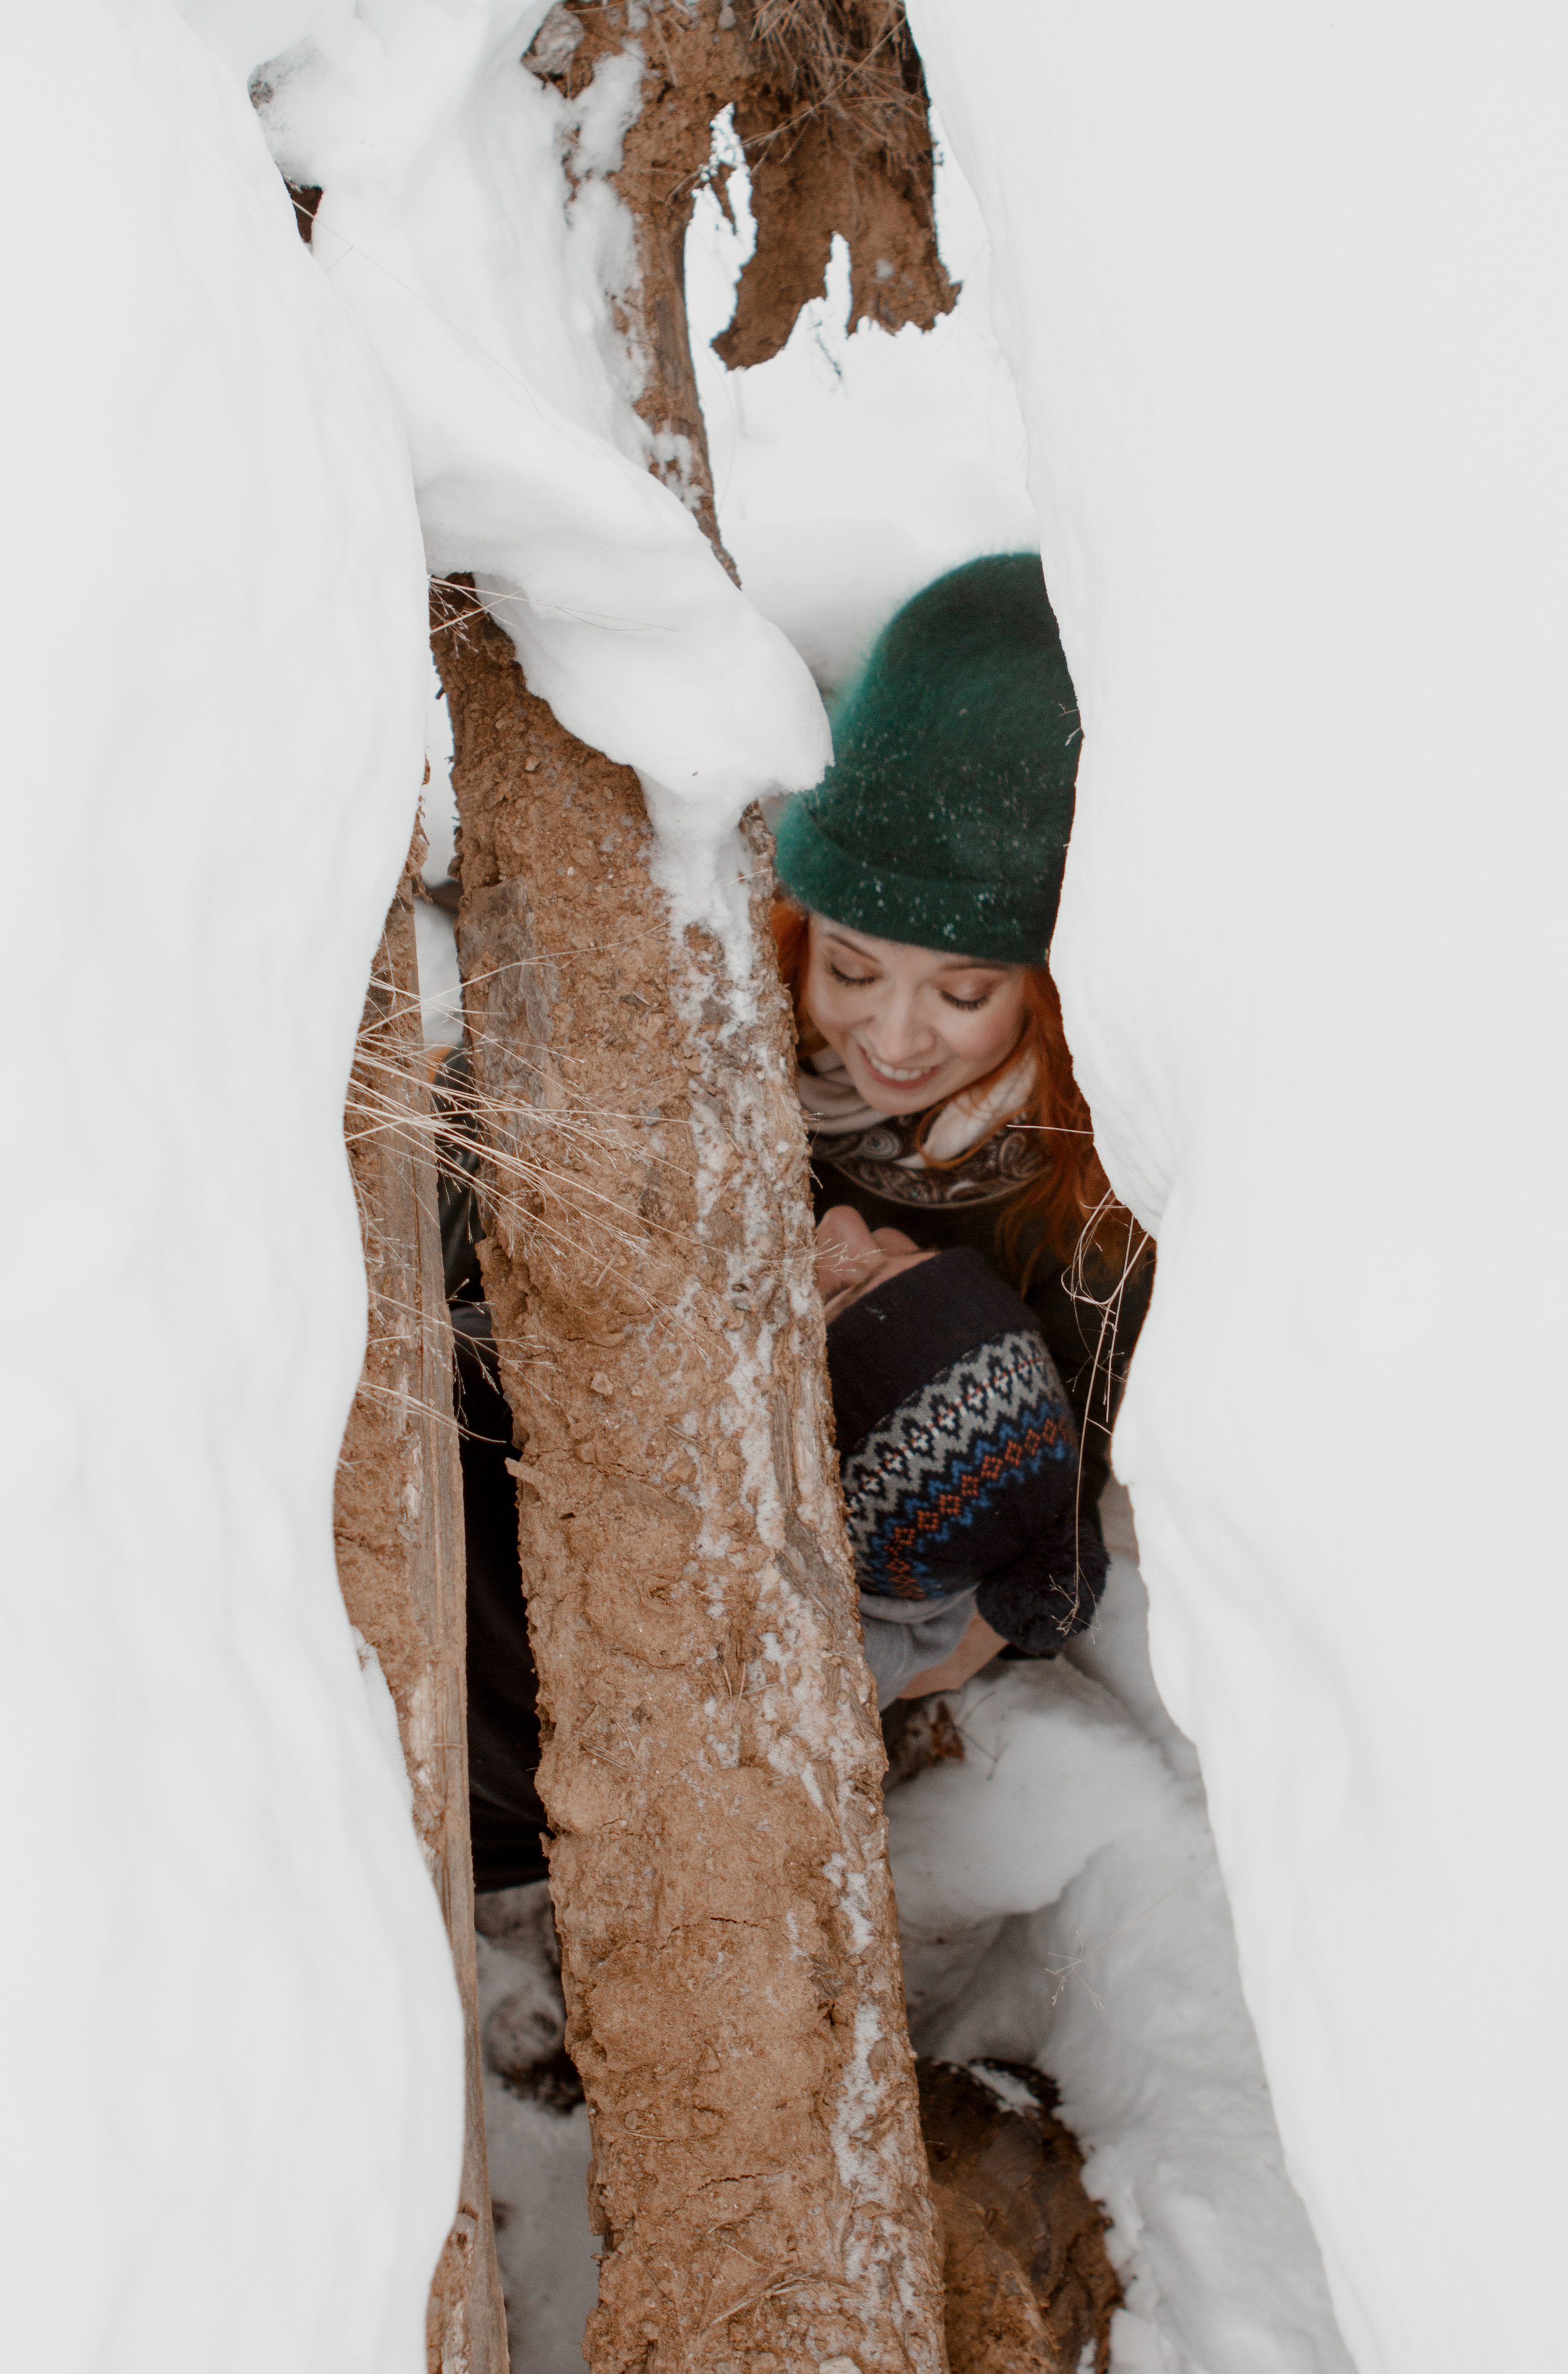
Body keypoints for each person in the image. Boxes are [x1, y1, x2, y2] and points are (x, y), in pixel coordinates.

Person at [772, 551, 1152, 1704]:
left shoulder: (1079, 1198)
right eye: (850, 968)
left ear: (1037, 988)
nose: (891, 1039)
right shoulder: (736, 1037)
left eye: (962, 993)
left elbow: (1052, 1525)